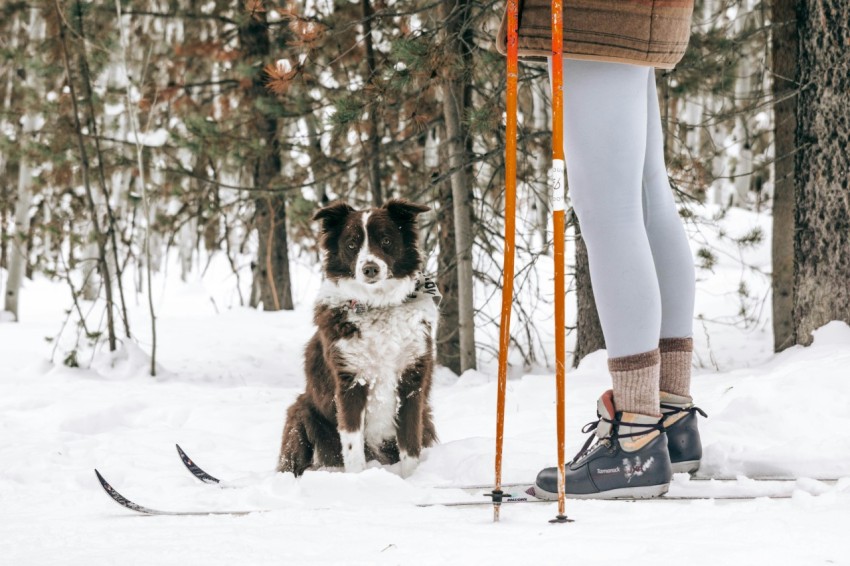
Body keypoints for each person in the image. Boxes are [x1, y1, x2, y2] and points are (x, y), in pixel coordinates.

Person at [497, 0, 706, 498]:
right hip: (637, 13)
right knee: (645, 192)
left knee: (610, 209)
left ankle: (635, 437)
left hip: (594, 15)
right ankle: (668, 414)